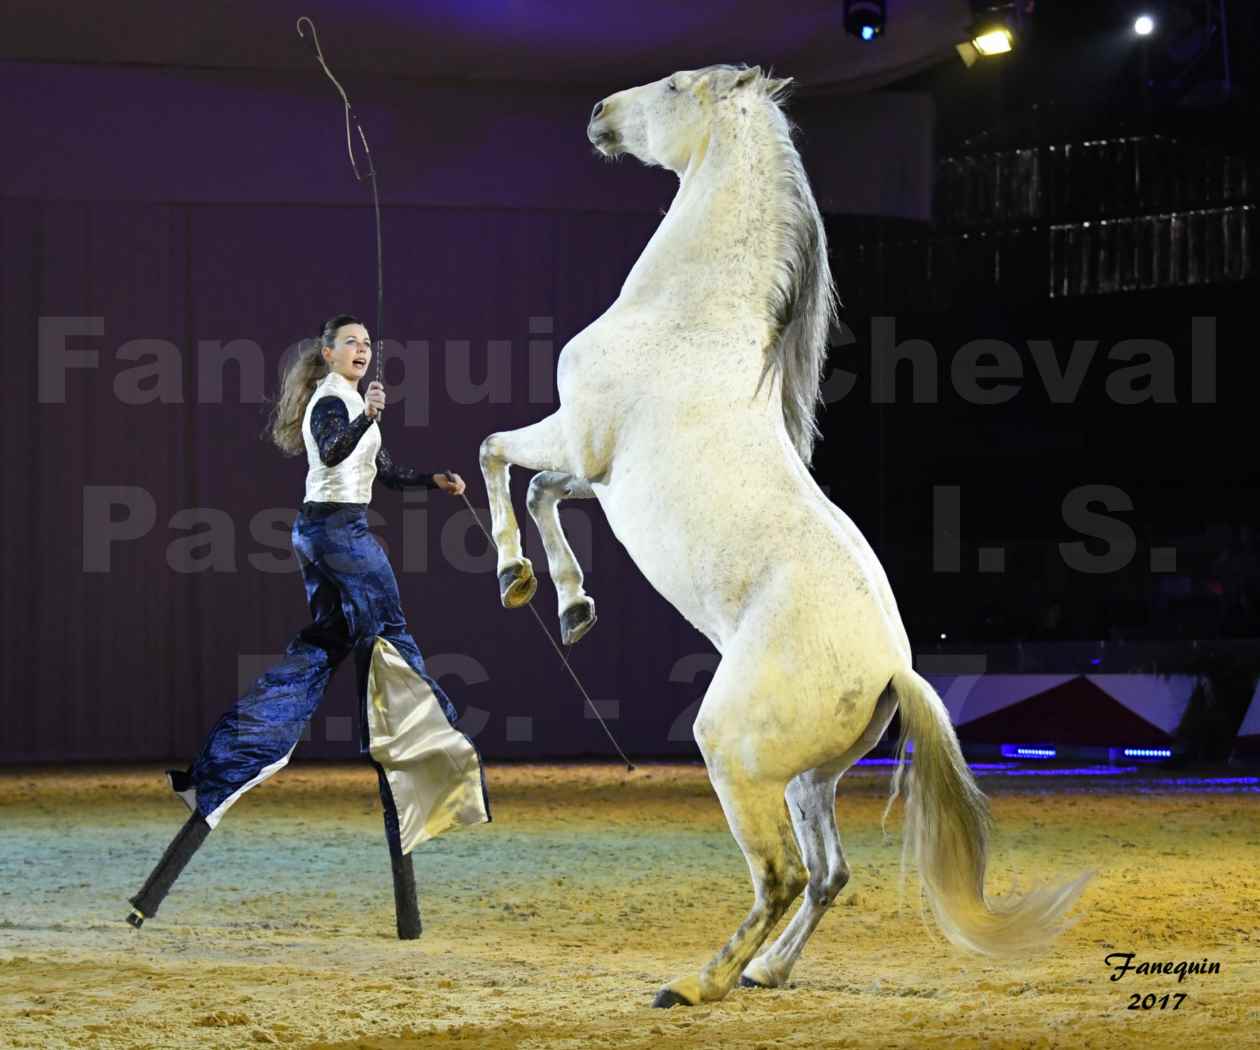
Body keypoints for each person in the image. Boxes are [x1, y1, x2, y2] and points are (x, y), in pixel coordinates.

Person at [125, 314, 490, 939]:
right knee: (394, 642)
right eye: (352, 342)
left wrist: (431, 480)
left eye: (369, 344)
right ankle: (441, 748)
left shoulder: (348, 402)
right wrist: (369, 417)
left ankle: (225, 771)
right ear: (327, 354)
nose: (363, 349)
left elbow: (377, 470)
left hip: (325, 533)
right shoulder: (333, 401)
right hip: (337, 535)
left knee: (320, 655)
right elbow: (333, 450)